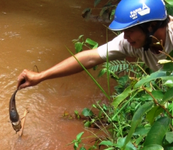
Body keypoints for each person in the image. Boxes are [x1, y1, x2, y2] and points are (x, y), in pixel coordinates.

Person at [17, 0, 173, 89]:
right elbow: (90, 58)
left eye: (130, 30)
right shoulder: (132, 42)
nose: (125, 37)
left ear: (151, 25)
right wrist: (41, 76)